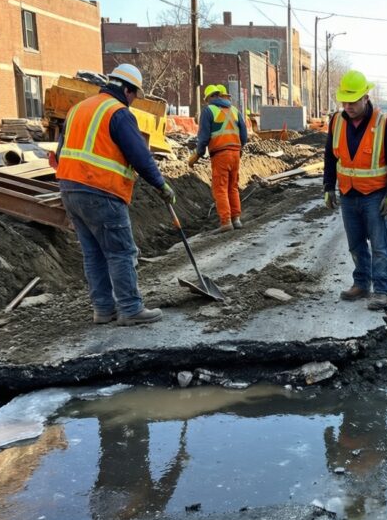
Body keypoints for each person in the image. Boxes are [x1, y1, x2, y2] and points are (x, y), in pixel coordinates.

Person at [57, 63, 176, 326]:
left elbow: (60, 150)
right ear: (126, 89)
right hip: (101, 191)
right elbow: (140, 156)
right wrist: (161, 185)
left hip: (69, 189)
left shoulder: (78, 109)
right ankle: (130, 308)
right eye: (134, 95)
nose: (133, 101)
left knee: (94, 254)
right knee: (121, 252)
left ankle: (103, 309)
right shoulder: (118, 113)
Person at [323, 70, 387, 311]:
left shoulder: (383, 124)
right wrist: (328, 187)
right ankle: (361, 283)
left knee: (380, 245)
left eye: (352, 101)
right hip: (348, 195)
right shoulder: (336, 122)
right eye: (344, 101)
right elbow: (330, 156)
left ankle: (381, 290)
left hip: (375, 196)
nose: (347, 106)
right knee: (356, 244)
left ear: (365, 98)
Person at [188, 84, 249, 231]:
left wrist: (198, 154)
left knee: (220, 188)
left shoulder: (208, 111)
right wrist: (239, 148)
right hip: (235, 153)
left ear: (209, 97)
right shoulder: (234, 110)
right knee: (233, 187)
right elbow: (244, 135)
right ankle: (236, 219)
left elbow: (203, 137)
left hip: (221, 154)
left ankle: (226, 222)